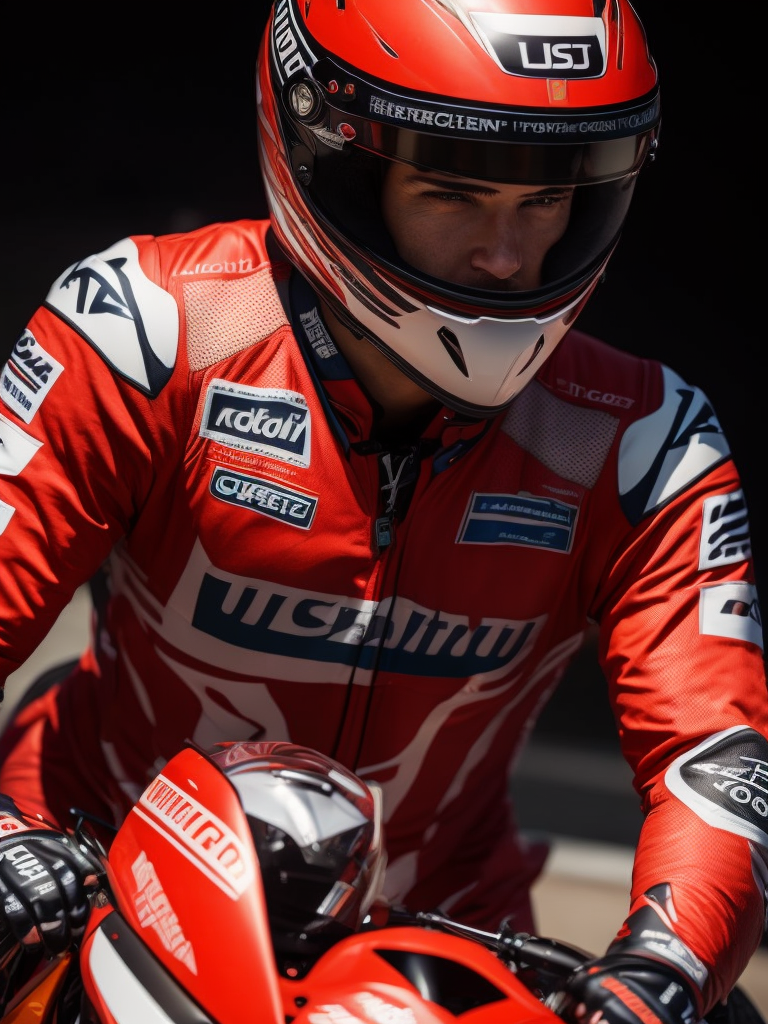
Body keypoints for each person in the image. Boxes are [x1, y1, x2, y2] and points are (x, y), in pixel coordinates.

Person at [0, 1, 766, 1020]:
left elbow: (714, 761)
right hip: (81, 887)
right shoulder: (146, 332)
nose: (507, 256)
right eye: (453, 191)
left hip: (431, 950)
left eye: (548, 201)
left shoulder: (645, 442)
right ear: (335, 161)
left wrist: (662, 971)